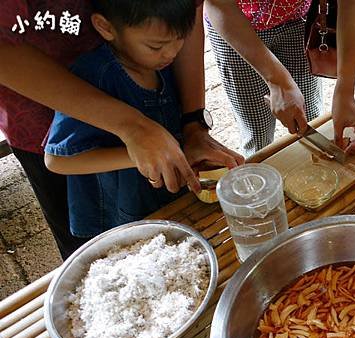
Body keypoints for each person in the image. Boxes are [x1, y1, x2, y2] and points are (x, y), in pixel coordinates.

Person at [0, 1, 243, 259]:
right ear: (104, 27)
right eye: (157, 46)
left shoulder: (159, 63)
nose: (172, 53)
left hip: (156, 204)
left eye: (180, 39)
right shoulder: (96, 76)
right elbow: (57, 159)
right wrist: (137, 149)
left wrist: (194, 128)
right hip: (116, 216)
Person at [204, 0, 355, 156]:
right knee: (257, 133)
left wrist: (345, 91)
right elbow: (218, 3)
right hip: (235, 25)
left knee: (311, 119)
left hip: (298, 18)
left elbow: (354, 3)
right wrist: (277, 80)